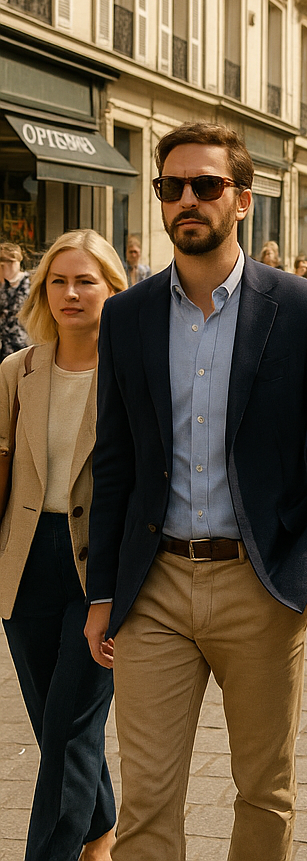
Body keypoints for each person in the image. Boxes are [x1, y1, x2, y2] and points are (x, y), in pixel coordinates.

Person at [83, 122, 307, 861]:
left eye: (206, 186)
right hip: (153, 591)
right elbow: (114, 461)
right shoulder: (127, 315)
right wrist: (100, 591)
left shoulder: (305, 308)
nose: (187, 199)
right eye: (170, 186)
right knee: (147, 804)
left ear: (242, 200)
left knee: (264, 793)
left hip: (263, 584)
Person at [0, 230, 127, 861]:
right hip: (24, 565)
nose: (70, 293)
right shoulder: (17, 371)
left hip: (97, 566)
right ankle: (102, 829)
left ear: (112, 287)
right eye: (58, 281)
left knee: (70, 727)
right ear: (42, 291)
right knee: (57, 729)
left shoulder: (134, 372)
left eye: (85, 280)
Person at [0, 242, 32, 360]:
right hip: (4, 346)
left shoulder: (30, 283)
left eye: (9, 261)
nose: (4, 265)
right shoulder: (3, 286)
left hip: (23, 344)